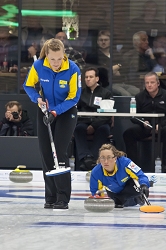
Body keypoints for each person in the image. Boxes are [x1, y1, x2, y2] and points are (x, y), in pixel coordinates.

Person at [23, 38, 81, 209]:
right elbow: (28, 85)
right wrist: (37, 99)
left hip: (66, 112)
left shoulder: (72, 69)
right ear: (47, 55)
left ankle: (63, 197)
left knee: (60, 152)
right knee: (46, 153)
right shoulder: (39, 66)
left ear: (64, 55)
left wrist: (56, 111)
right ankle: (50, 196)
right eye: (52, 59)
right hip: (45, 110)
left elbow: (74, 97)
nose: (56, 63)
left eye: (59, 58)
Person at [123, 72, 166, 172]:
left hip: (162, 127)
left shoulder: (165, 95)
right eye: (147, 83)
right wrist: (143, 122)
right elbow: (133, 116)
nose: (149, 85)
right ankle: (133, 166)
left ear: (158, 83)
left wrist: (161, 125)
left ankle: (164, 166)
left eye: (152, 82)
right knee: (128, 133)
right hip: (145, 127)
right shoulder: (139, 97)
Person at [74, 67, 113, 171]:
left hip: (101, 122)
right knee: (78, 129)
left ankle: (92, 158)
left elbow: (107, 114)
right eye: (86, 77)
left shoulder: (106, 93)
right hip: (84, 121)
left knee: (103, 130)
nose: (88, 79)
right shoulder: (80, 93)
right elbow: (76, 110)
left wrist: (93, 125)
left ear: (97, 78)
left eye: (91, 77)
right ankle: (87, 157)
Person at [90, 143, 150, 208]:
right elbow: (95, 192)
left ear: (115, 158)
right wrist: (98, 198)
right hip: (114, 191)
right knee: (118, 204)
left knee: (121, 199)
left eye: (109, 157)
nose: (106, 161)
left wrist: (144, 185)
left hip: (130, 186)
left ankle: (136, 197)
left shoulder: (125, 163)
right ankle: (130, 199)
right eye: (102, 158)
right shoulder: (96, 172)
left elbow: (140, 175)